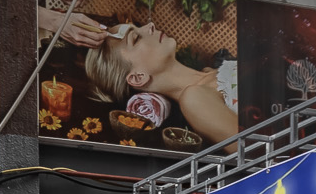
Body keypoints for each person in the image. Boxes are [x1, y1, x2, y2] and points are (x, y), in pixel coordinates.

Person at [81, 22, 238, 143]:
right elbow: (254, 155)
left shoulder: (212, 72)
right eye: (136, 38)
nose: (150, 26)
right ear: (138, 77)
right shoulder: (194, 99)